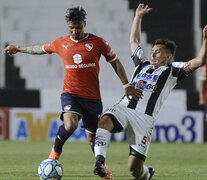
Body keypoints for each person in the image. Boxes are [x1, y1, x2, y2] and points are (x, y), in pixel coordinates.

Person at [4, 6, 142, 179]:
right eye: (72, 28)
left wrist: (126, 85)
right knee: (70, 124)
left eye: (78, 27)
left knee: (93, 139)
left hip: (93, 99)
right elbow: (39, 49)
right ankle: (54, 155)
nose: (75, 31)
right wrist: (18, 48)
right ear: (67, 26)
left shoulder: (98, 42)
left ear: (84, 24)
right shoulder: (61, 43)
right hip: (71, 93)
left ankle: (102, 167)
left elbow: (115, 62)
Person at [93, 3, 207, 180]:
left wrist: (205, 39)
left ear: (168, 56)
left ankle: (147, 174)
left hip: (144, 119)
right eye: (152, 51)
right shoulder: (142, 64)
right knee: (104, 121)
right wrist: (138, 17)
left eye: (158, 52)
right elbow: (134, 41)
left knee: (134, 170)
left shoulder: (172, 71)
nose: (152, 54)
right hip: (124, 107)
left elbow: (199, 61)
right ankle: (100, 162)